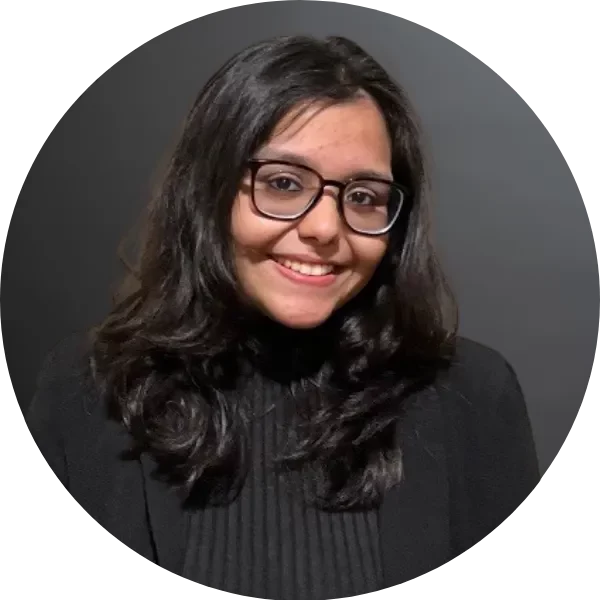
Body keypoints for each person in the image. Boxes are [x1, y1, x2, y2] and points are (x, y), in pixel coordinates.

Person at [24, 34, 541, 597]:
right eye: (284, 184)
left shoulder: (473, 399)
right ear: (208, 191)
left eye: (363, 196)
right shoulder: (85, 393)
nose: (325, 228)